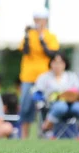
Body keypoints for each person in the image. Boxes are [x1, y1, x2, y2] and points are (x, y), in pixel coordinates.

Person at [18, 7, 59, 139]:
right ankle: (24, 137)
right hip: (28, 76)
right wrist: (26, 35)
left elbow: (52, 53)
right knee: (26, 107)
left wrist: (42, 40)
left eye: (40, 19)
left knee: (45, 107)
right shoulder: (29, 34)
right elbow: (24, 51)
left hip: (44, 77)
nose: (38, 22)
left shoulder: (50, 36)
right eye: (36, 19)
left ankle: (44, 134)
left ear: (45, 20)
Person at [34, 53, 79, 139]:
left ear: (65, 64)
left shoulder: (71, 76)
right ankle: (47, 129)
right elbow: (37, 93)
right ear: (50, 63)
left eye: (60, 62)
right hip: (51, 105)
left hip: (72, 104)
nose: (57, 65)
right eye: (55, 62)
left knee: (78, 107)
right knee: (61, 106)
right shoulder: (44, 77)